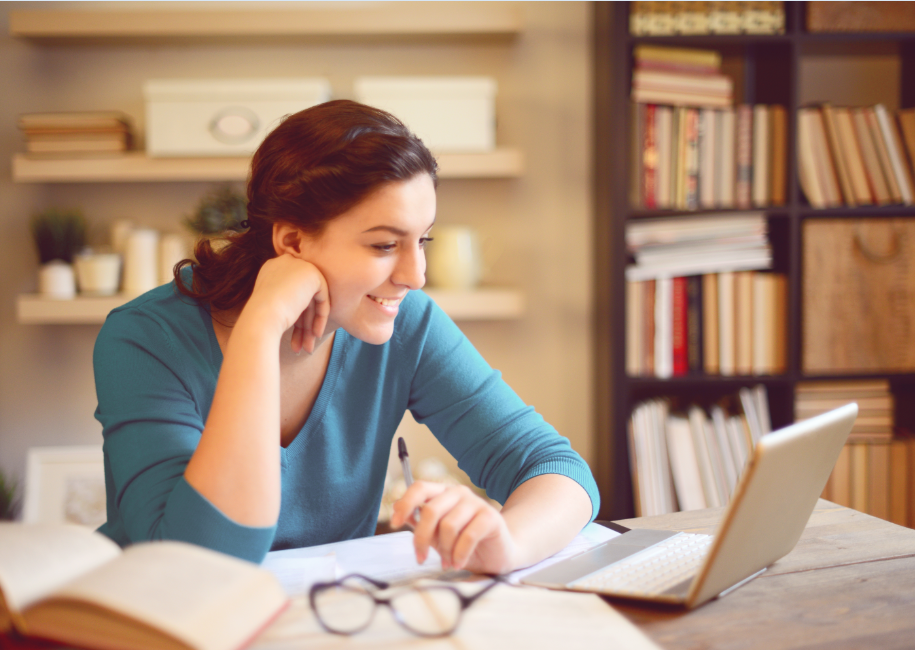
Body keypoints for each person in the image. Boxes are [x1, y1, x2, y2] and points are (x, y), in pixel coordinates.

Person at [93, 100, 599, 574]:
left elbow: (556, 468)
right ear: (292, 242)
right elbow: (198, 561)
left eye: (422, 240)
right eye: (384, 244)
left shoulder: (408, 322)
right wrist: (261, 327)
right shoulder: (144, 339)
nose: (415, 275)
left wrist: (506, 543)